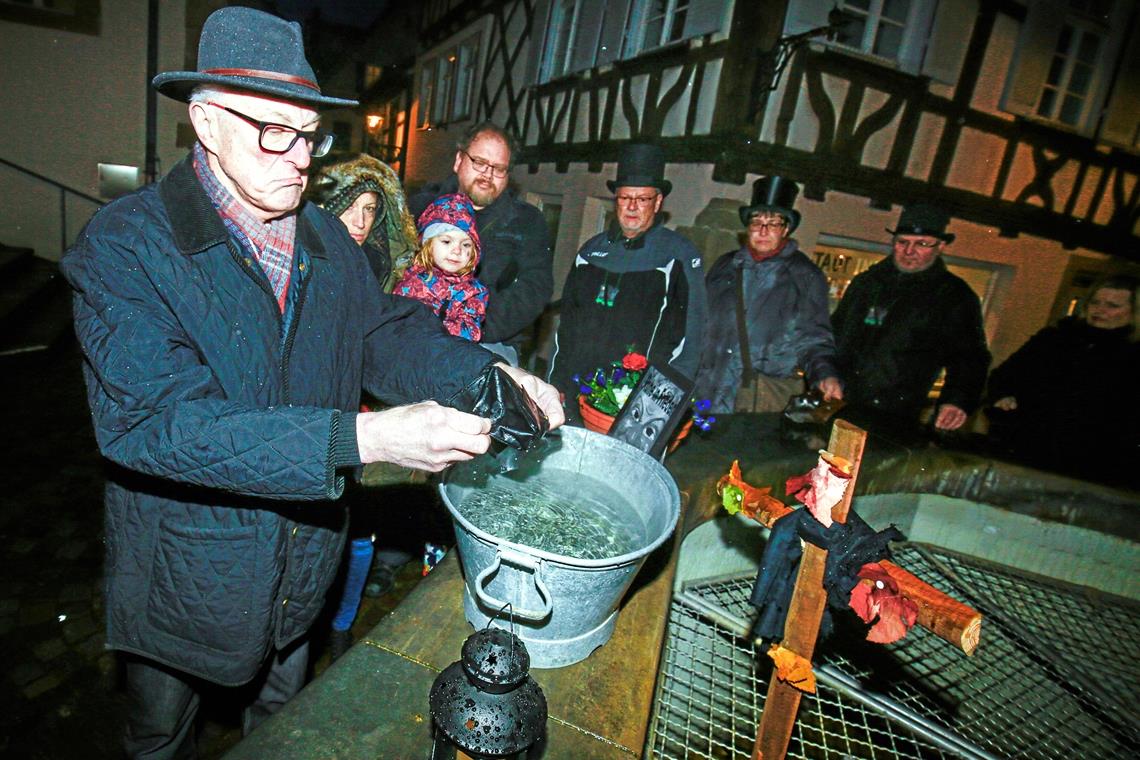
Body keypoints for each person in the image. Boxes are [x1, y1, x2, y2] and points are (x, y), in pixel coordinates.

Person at [58, 8, 563, 758]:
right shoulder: (127, 245)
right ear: (205, 120)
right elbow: (157, 424)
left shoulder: (325, 237)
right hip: (188, 580)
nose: (298, 158)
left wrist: (486, 371)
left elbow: (383, 331)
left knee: (287, 731)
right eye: (274, 131)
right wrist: (361, 438)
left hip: (302, 571)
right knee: (159, 739)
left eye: (310, 135)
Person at [308, 154, 420, 660]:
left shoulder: (382, 271)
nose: (361, 220)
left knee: (361, 530)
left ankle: (342, 624)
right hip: (319, 424)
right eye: (351, 206)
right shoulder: (306, 263)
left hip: (368, 421)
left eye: (372, 209)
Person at [547, 143, 708, 422]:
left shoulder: (678, 257)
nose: (632, 207)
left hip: (635, 401)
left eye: (643, 199)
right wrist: (555, 383)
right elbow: (567, 328)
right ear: (616, 200)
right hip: (577, 393)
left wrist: (659, 406)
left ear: (658, 203)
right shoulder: (590, 253)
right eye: (624, 198)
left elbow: (690, 343)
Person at [831, 203, 990, 436]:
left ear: (941, 246)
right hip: (840, 404)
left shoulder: (954, 296)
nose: (909, 251)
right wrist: (824, 373)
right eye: (902, 242)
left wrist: (957, 400)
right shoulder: (866, 283)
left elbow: (970, 356)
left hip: (895, 414)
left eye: (922, 244)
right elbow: (835, 333)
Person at [694, 175, 842, 414]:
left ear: (785, 229)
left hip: (754, 399)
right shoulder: (725, 265)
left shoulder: (805, 276)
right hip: (706, 390)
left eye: (773, 223)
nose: (763, 230)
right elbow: (699, 319)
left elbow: (814, 338)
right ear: (748, 226)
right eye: (757, 221)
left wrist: (824, 374)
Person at [409, 122, 553, 363]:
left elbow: (534, 289)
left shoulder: (527, 222)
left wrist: (474, 325)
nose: (487, 174)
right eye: (479, 162)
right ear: (458, 161)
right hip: (417, 331)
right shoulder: (420, 208)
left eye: (498, 169)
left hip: (489, 342)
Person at [986, 274, 1138, 485]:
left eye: (1112, 305)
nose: (1099, 310)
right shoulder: (1054, 339)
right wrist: (1002, 396)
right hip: (1026, 445)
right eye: (1095, 302)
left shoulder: (1131, 356)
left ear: (1134, 313)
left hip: (1092, 462)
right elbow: (1003, 376)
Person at [309, 153, 418, 292]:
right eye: (349, 207)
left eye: (369, 209)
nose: (360, 223)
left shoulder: (380, 267)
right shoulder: (305, 264)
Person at [395, 193, 490, 341]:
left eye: (466, 245)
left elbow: (470, 333)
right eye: (446, 241)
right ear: (428, 244)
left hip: (449, 354)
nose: (457, 250)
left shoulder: (472, 292)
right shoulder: (410, 281)